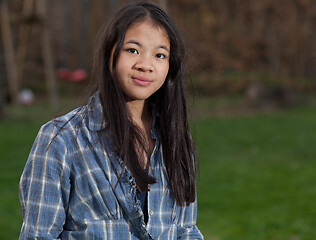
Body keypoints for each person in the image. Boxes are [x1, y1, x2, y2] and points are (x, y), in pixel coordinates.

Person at [19, 2, 204, 239]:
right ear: (110, 55)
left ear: (170, 66)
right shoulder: (60, 140)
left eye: (159, 55)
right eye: (133, 50)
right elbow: (38, 235)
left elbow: (185, 229)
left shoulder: (176, 138)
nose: (145, 65)